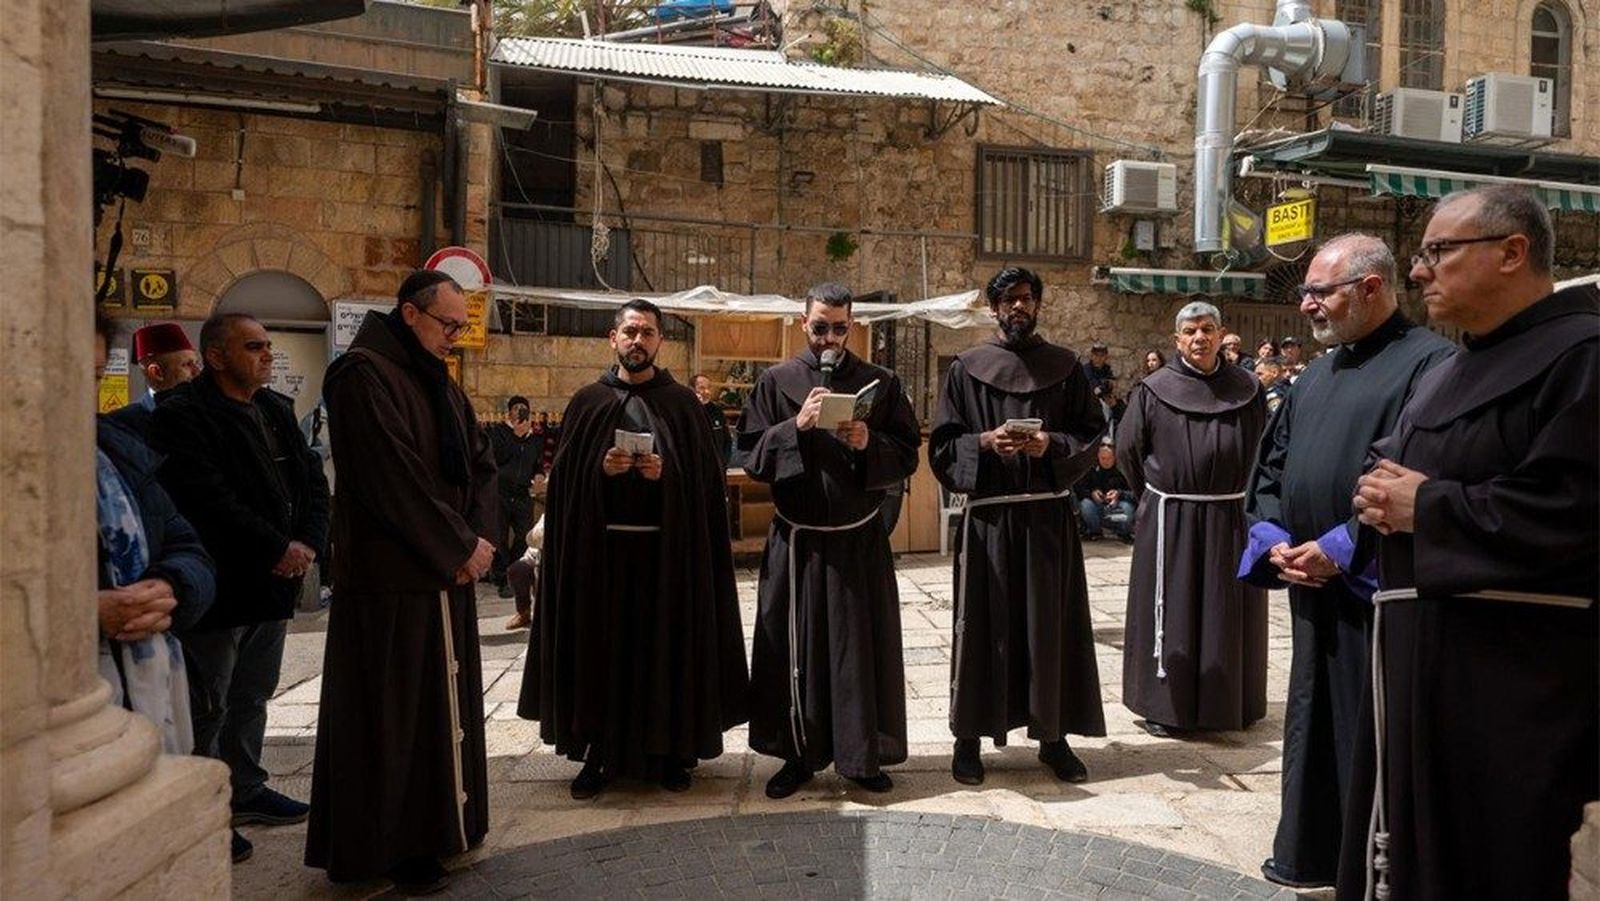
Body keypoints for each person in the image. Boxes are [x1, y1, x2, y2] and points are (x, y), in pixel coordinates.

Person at [1337, 186, 1597, 900]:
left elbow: (1576, 511)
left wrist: (1429, 506)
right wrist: (1374, 495)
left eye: (1438, 252)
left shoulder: (1583, 357)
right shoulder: (1453, 366)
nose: (1419, 271)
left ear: (1513, 252)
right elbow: (1403, 466)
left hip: (1509, 687)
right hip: (1419, 668)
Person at [1238, 233, 1454, 891]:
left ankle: (1370, 867)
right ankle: (1309, 852)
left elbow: (1413, 473)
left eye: (1318, 291)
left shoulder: (1432, 364)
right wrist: (1274, 536)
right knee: (1312, 719)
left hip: (1378, 592)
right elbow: (1271, 466)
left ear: (1371, 287)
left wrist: (1338, 548)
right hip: (1313, 589)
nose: (1305, 306)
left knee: (1370, 730)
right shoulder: (1313, 377)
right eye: (1305, 291)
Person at [305, 270, 499, 894]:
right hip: (391, 585)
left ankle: (445, 829)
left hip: (444, 574)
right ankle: (393, 847)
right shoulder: (360, 375)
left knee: (438, 716)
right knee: (390, 722)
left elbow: (478, 462)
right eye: (448, 325)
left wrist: (479, 537)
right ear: (410, 315)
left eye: (461, 326)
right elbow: (390, 476)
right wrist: (458, 545)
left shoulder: (437, 380)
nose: (455, 337)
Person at [519, 298, 747, 799]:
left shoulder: (683, 405)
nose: (638, 341)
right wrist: (600, 472)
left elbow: (707, 492)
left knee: (665, 655)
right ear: (613, 338)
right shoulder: (587, 403)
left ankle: (670, 753)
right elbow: (562, 488)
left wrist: (667, 476)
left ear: (660, 341)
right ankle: (597, 755)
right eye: (630, 332)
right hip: (600, 563)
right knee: (601, 658)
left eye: (647, 333)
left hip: (667, 563)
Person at [147, 312, 329, 866]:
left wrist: (308, 544)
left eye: (269, 346)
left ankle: (245, 788)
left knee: (253, 694)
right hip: (223, 586)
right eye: (254, 347)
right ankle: (203, 808)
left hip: (274, 584)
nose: (267, 356)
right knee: (209, 703)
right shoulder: (183, 416)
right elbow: (209, 499)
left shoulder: (274, 409)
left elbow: (312, 482)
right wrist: (279, 547)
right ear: (218, 356)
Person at [739, 282, 920, 798]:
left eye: (840, 328)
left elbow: (907, 454)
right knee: (794, 648)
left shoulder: (879, 382)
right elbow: (750, 456)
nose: (830, 339)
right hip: (796, 544)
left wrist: (870, 443)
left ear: (852, 326)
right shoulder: (775, 382)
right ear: (803, 325)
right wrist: (794, 426)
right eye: (821, 328)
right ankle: (797, 755)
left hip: (856, 542)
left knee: (855, 653)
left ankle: (862, 757)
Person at [929, 266, 1106, 786]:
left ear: (1038, 305)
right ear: (994, 308)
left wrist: (1051, 444)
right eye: (1008, 300)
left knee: (1048, 628)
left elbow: (1091, 434)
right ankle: (967, 741)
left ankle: (1053, 738)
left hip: (1047, 519)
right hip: (989, 522)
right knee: (981, 629)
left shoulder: (1067, 368)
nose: (1018, 307)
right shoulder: (966, 368)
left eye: (1026, 298)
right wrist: (983, 444)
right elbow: (942, 446)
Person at [1115, 300, 1267, 737]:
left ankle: (1230, 703)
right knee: (1174, 609)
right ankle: (1167, 707)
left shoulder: (1249, 389)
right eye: (1191, 331)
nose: (1200, 337)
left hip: (1230, 516)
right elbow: (1129, 452)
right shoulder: (1152, 389)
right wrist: (1158, 497)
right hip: (1171, 517)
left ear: (1221, 335)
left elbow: (1265, 449)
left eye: (1208, 329)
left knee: (1226, 609)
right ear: (1177, 340)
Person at [93, 312, 215, 758]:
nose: (195, 373)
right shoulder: (129, 425)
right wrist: (83, 616)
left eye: (94, 375)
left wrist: (172, 585)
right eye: (186, 365)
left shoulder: (114, 451)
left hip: (157, 659)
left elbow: (182, 538)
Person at [486, 395, 544, 598]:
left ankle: (513, 573)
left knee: (523, 535)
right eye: (517, 408)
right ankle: (501, 578)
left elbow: (537, 463)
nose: (521, 412)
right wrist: (515, 435)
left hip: (522, 495)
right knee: (499, 537)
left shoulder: (534, 439)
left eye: (524, 408)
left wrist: (539, 475)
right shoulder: (498, 434)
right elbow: (496, 459)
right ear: (509, 412)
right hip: (501, 494)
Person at [109, 321, 202, 440]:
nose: (197, 372)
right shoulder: (120, 425)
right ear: (156, 372)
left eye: (196, 363)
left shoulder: (205, 415)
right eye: (187, 365)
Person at [1076, 442, 1136, 542]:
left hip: (1118, 507)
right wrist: (1092, 493)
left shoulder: (1123, 469)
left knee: (1127, 508)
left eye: (1109, 458)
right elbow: (1079, 489)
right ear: (1097, 457)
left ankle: (1124, 533)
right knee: (1085, 504)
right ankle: (1095, 532)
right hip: (1097, 507)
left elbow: (1135, 494)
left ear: (1115, 457)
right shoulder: (1090, 469)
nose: (1106, 461)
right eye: (1103, 458)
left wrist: (1119, 494)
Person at [690, 373, 733, 465]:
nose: (707, 392)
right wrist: (697, 406)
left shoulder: (716, 411)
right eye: (702, 388)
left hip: (717, 467)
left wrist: (724, 463)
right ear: (692, 390)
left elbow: (727, 440)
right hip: (696, 467)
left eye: (709, 387)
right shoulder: (687, 411)